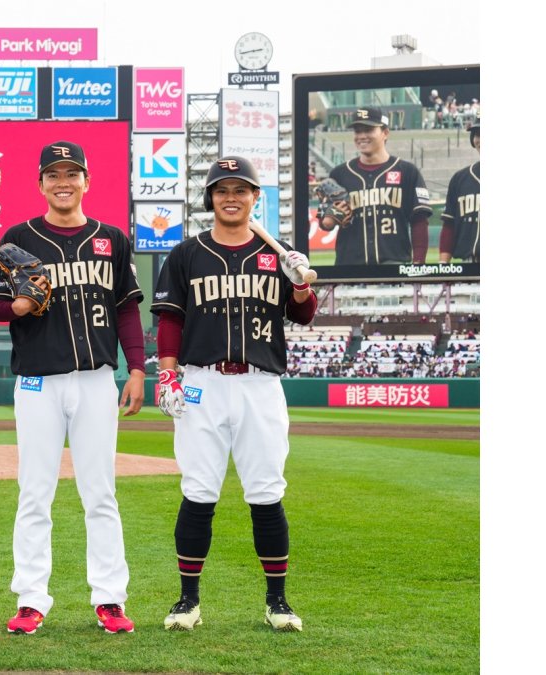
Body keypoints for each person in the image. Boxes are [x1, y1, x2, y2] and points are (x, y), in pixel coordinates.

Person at [0, 140, 146, 635]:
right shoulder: (18, 237)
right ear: (40, 184)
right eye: (53, 174)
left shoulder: (111, 239)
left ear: (86, 181)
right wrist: (18, 306)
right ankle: (31, 599)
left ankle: (110, 598)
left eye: (72, 173)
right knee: (35, 492)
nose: (63, 182)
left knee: (101, 493)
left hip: (96, 380)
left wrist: (137, 369)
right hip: (37, 382)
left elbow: (126, 309)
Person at [150, 156, 318, 633]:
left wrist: (299, 284)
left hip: (260, 384)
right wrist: (167, 373)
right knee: (198, 491)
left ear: (254, 197)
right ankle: (187, 600)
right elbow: (170, 320)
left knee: (266, 493)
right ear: (210, 199)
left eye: (240, 189)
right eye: (221, 190)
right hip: (202, 382)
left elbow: (303, 314)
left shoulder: (277, 254)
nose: (230, 197)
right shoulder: (186, 254)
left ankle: (277, 602)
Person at [319, 107, 433, 265]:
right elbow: (325, 224)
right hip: (349, 267)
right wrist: (329, 218)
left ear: (385, 133)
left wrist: (418, 264)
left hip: (394, 265)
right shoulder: (340, 174)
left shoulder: (408, 172)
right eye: (357, 131)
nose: (361, 136)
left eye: (368, 130)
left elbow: (419, 221)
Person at [440, 118, 480, 263]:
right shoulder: (460, 179)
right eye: (477, 134)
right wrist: (443, 264)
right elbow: (449, 225)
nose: (480, 139)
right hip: (469, 264)